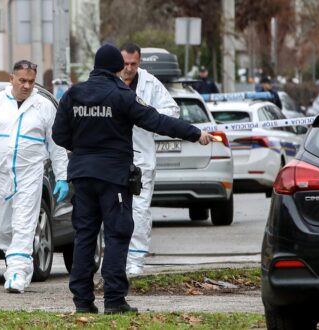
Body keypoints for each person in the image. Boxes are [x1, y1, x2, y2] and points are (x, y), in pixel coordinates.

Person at [52, 44, 214, 314]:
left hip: (81, 176)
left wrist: (82, 149)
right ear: (117, 68)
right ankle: (114, 300)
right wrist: (194, 133)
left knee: (84, 237)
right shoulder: (122, 94)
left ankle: (82, 302)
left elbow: (59, 135)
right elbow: (157, 121)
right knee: (117, 234)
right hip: (113, 177)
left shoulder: (73, 94)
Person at [0, 60, 69, 293]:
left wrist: (62, 176)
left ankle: (17, 275)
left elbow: (57, 144)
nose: (27, 85)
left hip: (30, 172)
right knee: (2, 227)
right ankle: (17, 262)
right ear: (11, 79)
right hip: (0, 173)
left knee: (24, 223)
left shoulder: (43, 106)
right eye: (22, 80)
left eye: (31, 81)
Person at [119, 43, 179, 275]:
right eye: (125, 64)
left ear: (139, 62)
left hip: (141, 157)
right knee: (115, 210)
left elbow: (172, 111)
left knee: (139, 210)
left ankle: (136, 259)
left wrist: (146, 116)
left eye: (134, 64)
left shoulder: (150, 83)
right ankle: (118, 257)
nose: (129, 68)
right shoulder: (110, 80)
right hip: (114, 157)